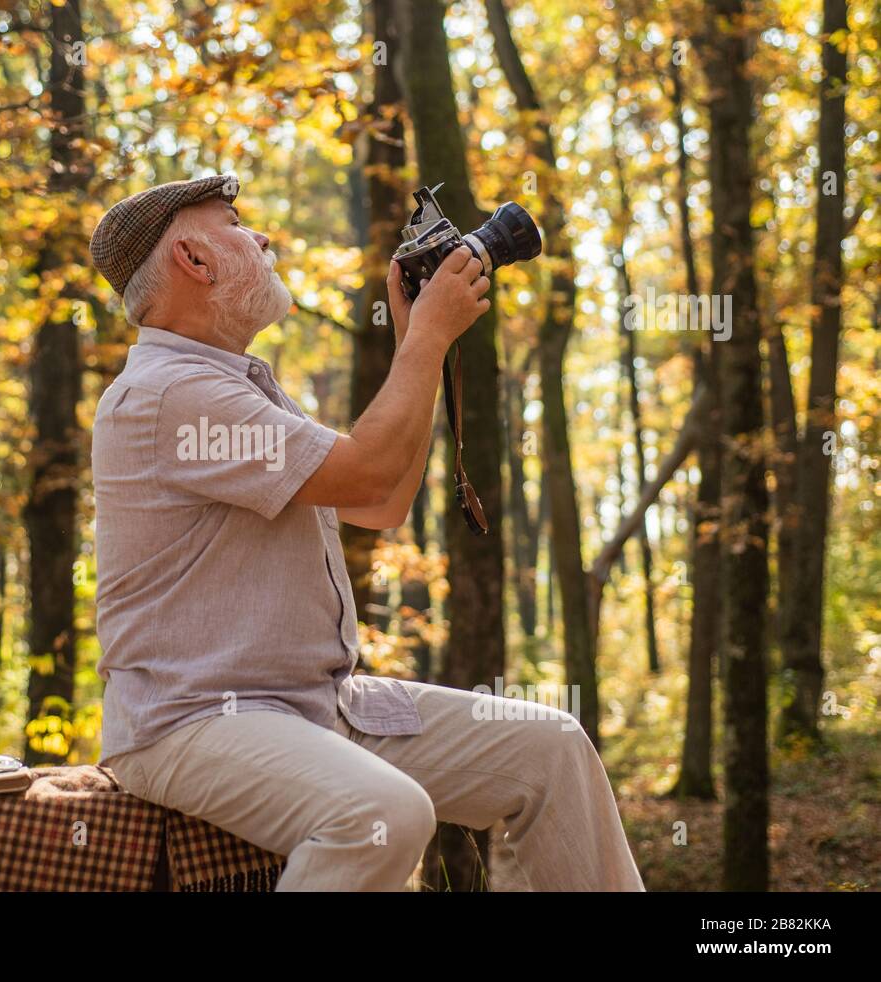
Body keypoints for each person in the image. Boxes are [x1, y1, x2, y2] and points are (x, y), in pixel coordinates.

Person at [86, 172, 645, 891]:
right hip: (192, 723)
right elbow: (373, 476)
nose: (260, 236)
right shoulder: (170, 394)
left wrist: (420, 341)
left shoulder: (233, 384)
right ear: (194, 260)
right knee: (379, 812)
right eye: (234, 221)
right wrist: (430, 334)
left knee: (551, 747)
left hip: (312, 706)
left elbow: (379, 503)